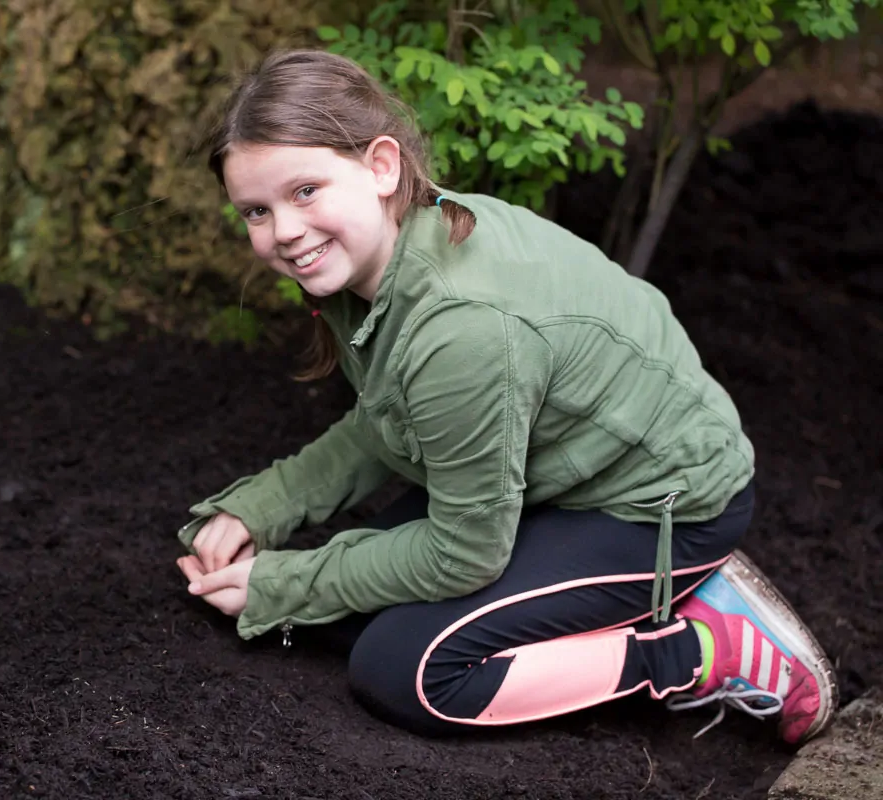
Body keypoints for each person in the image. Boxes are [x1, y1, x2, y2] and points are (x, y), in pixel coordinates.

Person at [174, 48, 836, 745]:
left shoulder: (462, 325)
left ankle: (695, 647)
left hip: (658, 506)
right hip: (556, 477)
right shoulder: (392, 251)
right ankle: (621, 600)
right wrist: (266, 506)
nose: (283, 231)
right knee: (340, 601)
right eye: (256, 210)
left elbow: (463, 555)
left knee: (406, 668)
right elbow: (386, 423)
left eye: (305, 191)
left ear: (380, 166)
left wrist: (284, 582)